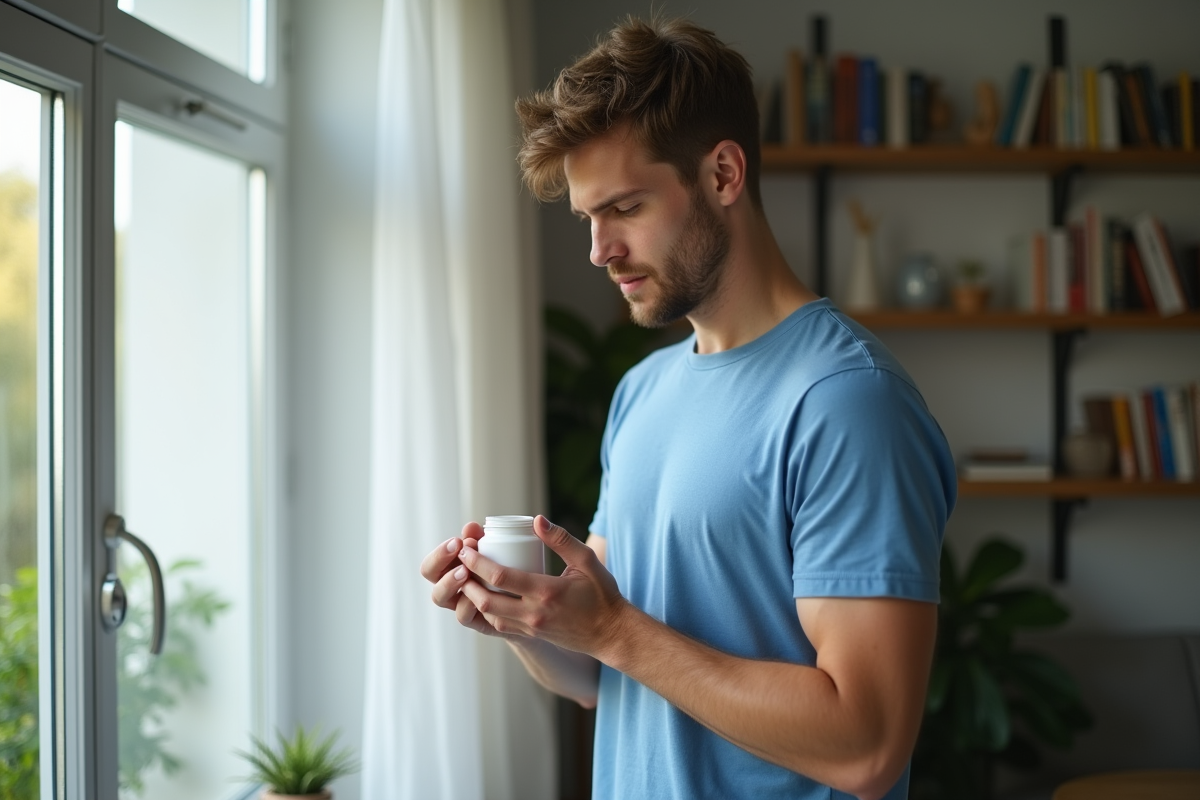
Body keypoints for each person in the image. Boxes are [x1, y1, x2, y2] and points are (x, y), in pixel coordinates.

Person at [421, 15, 956, 800]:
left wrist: (612, 630)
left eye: (626, 208)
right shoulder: (643, 393)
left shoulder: (847, 403)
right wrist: (521, 617)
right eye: (587, 217)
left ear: (723, 174)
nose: (600, 250)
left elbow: (867, 745)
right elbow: (609, 677)